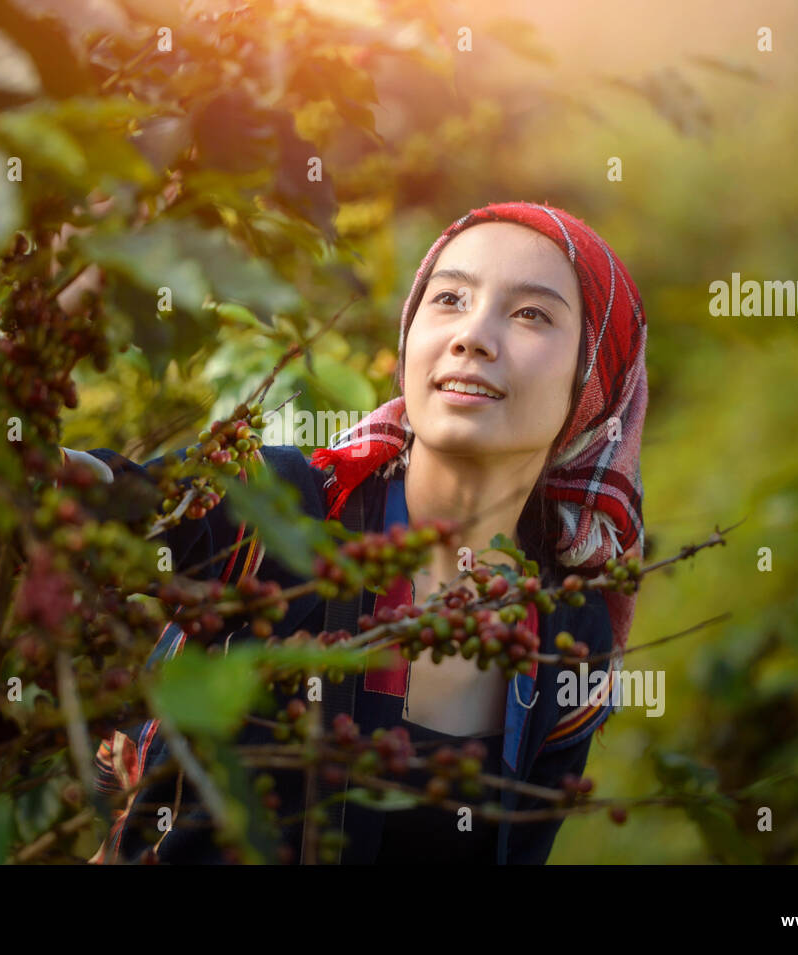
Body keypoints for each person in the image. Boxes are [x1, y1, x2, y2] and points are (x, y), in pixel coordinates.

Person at [78, 200, 649, 864]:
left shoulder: (568, 639)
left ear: (591, 385)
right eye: (450, 299)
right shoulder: (282, 508)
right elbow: (105, 507)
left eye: (530, 314)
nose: (473, 335)